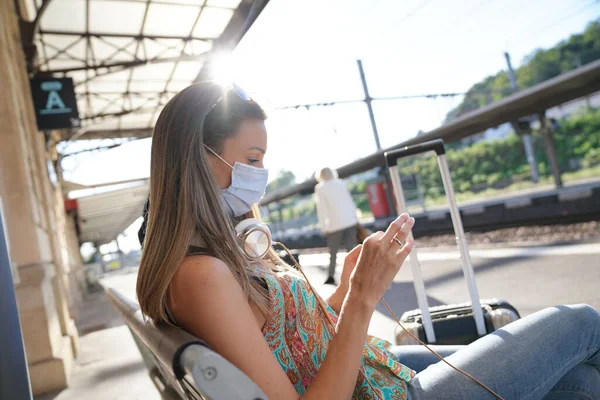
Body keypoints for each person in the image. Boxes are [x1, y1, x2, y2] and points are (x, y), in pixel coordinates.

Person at [136, 81, 600, 400]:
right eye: (252, 158)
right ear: (198, 159)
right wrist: (362, 298)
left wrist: (341, 292)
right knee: (581, 323)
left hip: (374, 372)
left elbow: (290, 343)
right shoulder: (202, 276)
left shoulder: (216, 256)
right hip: (384, 392)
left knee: (578, 379)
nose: (259, 173)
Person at [314, 167, 358, 285]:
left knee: (333, 253)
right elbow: (350, 201)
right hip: (349, 221)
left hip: (334, 225)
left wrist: (324, 227)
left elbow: (322, 210)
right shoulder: (341, 183)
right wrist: (355, 218)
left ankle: (331, 276)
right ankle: (359, 272)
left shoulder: (320, 188)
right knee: (352, 249)